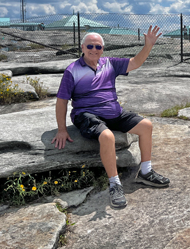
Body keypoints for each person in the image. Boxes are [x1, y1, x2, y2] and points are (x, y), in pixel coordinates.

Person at [52, 26, 170, 209]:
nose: (94, 50)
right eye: (90, 46)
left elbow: (135, 62)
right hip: (86, 114)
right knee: (107, 137)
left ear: (102, 50)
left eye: (98, 47)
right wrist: (62, 129)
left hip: (113, 111)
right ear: (82, 47)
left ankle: (145, 172)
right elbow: (62, 101)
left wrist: (148, 46)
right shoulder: (72, 70)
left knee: (146, 125)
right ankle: (115, 184)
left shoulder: (110, 64)